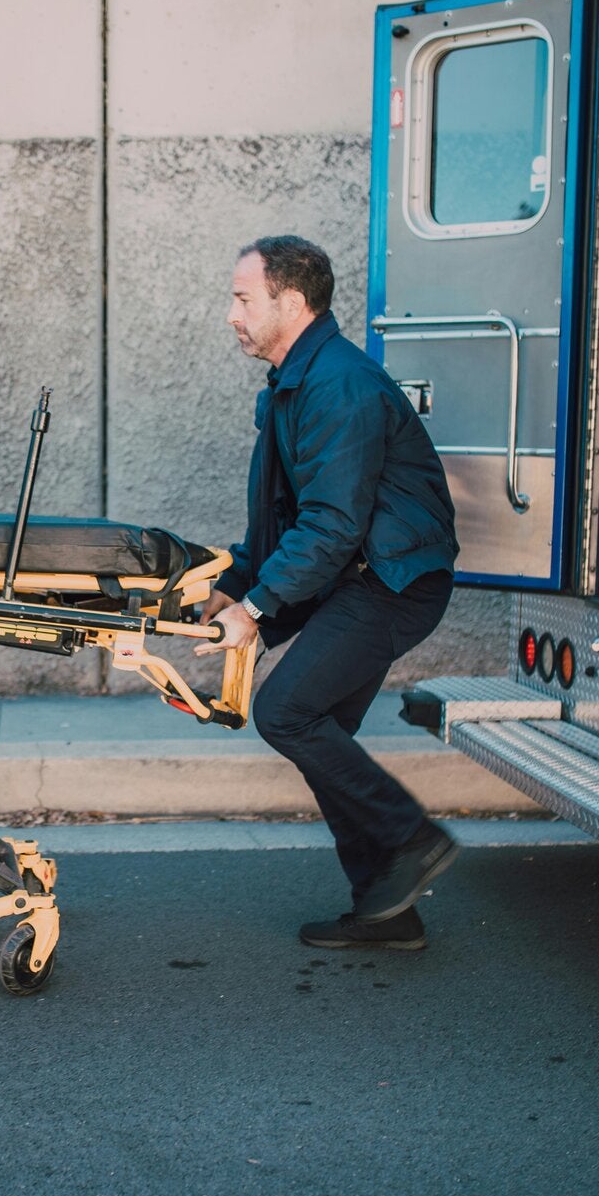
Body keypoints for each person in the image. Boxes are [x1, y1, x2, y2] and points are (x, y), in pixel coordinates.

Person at [197, 236, 460, 952]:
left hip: (391, 582)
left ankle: (413, 839)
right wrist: (236, 587)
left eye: (243, 299)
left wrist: (257, 610)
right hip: (355, 576)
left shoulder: (339, 385)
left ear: (292, 303)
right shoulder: (294, 384)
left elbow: (333, 523)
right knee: (321, 734)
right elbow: (280, 515)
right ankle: (387, 908)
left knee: (286, 712)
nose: (232, 315)